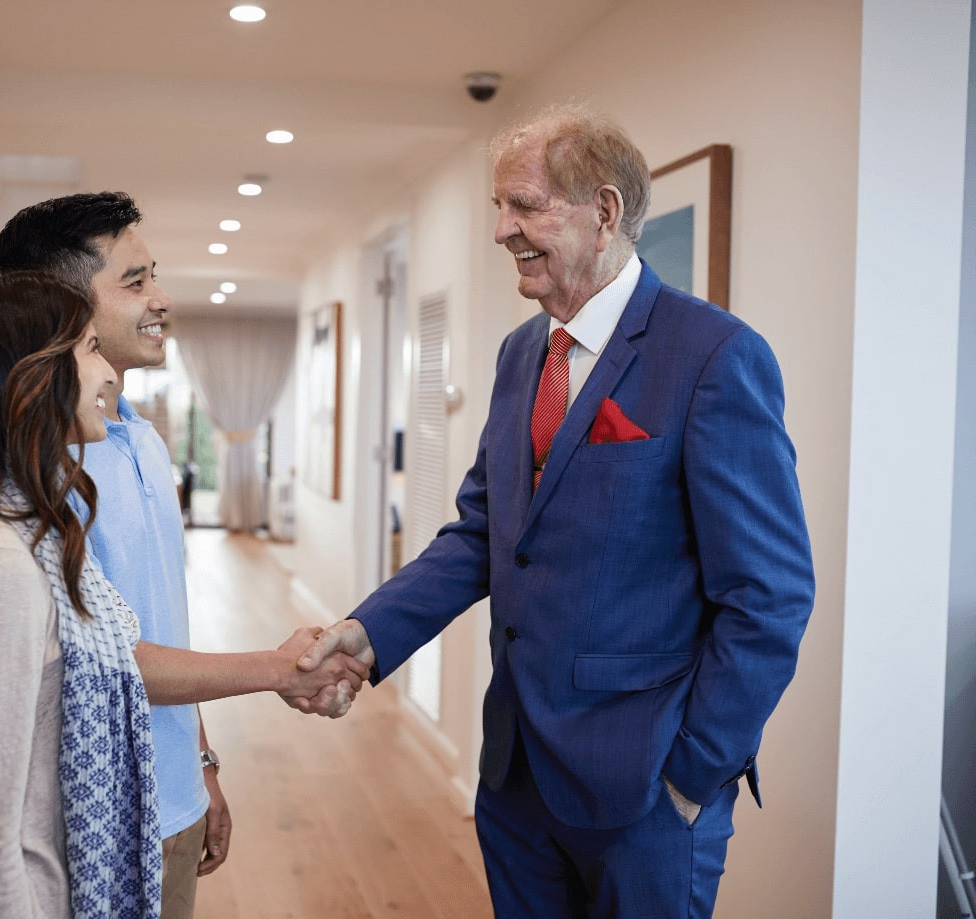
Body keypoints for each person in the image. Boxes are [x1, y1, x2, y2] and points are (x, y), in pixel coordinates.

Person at [299, 105, 815, 918]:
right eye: (497, 208)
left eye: (523, 206)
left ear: (603, 212)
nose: (501, 229)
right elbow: (482, 533)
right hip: (514, 774)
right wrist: (367, 633)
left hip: (644, 790)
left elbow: (770, 594)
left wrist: (692, 771)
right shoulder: (519, 354)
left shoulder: (712, 355)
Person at [0, 273, 357, 918]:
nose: (109, 377)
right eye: (90, 350)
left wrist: (261, 689)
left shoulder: (29, 534)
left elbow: (118, 656)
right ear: (31, 379)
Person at [0, 193, 363, 918]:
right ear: (59, 306)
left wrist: (200, 767)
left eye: (153, 275)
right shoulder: (33, 472)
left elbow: (165, 619)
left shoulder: (143, 439)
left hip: (174, 801)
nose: (161, 299)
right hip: (89, 824)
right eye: (133, 282)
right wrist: (275, 668)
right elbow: (93, 658)